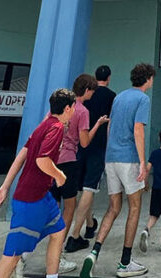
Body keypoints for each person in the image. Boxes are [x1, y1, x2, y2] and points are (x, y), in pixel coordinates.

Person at [0, 89, 77, 278]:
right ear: (68, 108)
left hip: (43, 197)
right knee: (12, 256)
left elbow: (22, 155)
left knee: (59, 231)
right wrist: (60, 175)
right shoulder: (56, 128)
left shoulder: (43, 126)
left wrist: (5, 187)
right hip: (31, 200)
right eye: (74, 108)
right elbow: (42, 160)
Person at [81, 63, 155, 278]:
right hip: (129, 159)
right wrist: (142, 162)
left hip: (111, 158)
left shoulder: (120, 96)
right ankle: (124, 262)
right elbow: (138, 129)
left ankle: (93, 253)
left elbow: (111, 126)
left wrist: (108, 155)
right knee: (134, 207)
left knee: (113, 209)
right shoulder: (143, 99)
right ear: (148, 78)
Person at [51, 74, 105, 257]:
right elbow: (84, 143)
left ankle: (24, 254)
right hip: (68, 162)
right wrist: (97, 125)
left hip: (51, 161)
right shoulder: (81, 111)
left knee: (48, 207)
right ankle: (58, 251)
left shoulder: (60, 106)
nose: (92, 95)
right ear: (87, 90)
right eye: (92, 91)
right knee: (69, 208)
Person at [67, 66, 113, 252]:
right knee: (89, 188)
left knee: (83, 188)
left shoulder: (77, 102)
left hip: (78, 148)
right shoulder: (111, 96)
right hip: (97, 146)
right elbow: (110, 124)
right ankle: (75, 234)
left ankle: (90, 223)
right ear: (108, 78)